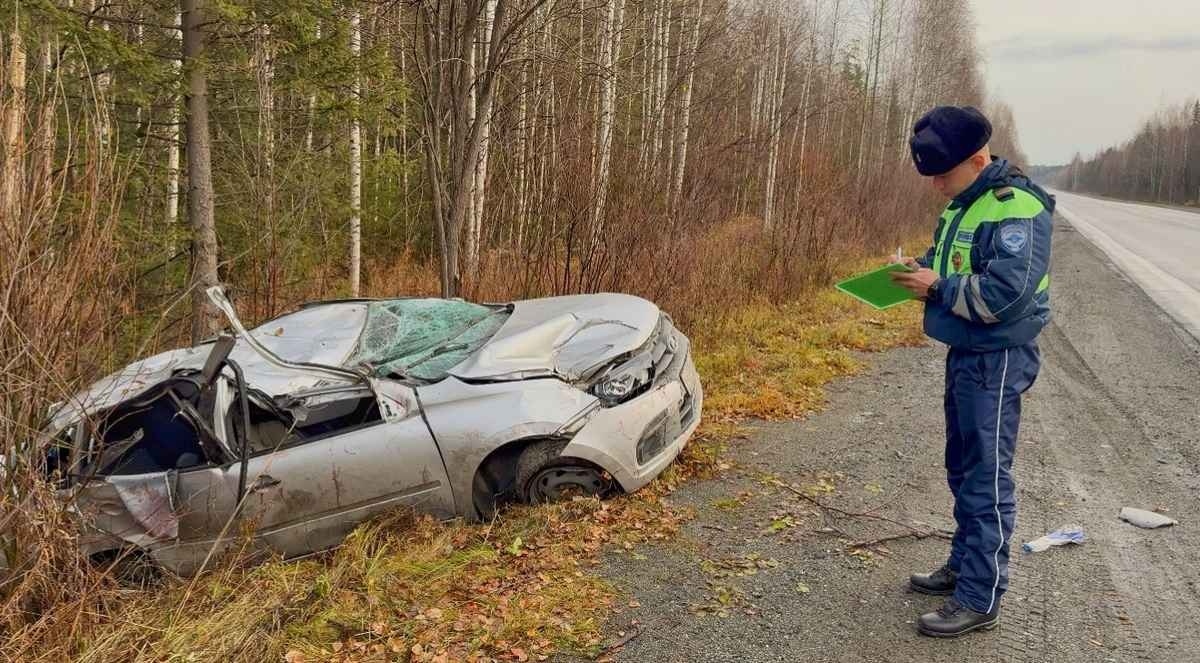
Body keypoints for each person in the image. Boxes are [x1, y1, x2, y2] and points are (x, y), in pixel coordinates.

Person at [889, 106, 1055, 638]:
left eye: (943, 174)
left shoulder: (1017, 208)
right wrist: (919, 270)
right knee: (962, 467)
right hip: (965, 351)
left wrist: (937, 287)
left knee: (986, 475)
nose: (936, 184)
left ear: (978, 160)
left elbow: (1005, 296)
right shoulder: (965, 203)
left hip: (997, 357)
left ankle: (981, 597)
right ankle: (963, 565)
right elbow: (951, 260)